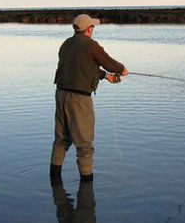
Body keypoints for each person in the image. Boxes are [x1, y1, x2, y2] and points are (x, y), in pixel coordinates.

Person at [51, 14, 128, 182]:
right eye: (92, 26)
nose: (93, 29)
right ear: (89, 29)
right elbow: (107, 62)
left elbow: (82, 66)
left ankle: (54, 179)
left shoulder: (66, 44)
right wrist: (122, 69)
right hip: (79, 99)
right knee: (85, 146)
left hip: (61, 94)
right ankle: (87, 190)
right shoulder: (91, 45)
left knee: (61, 140)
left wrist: (105, 76)